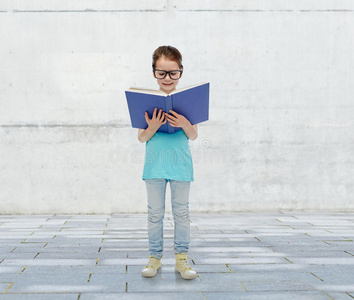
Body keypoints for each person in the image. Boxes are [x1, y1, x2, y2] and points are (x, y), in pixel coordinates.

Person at [138, 45, 198, 280]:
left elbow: (193, 135)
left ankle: (181, 259)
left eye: (173, 73)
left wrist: (184, 122)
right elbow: (142, 137)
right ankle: (154, 258)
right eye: (161, 73)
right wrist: (152, 127)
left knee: (181, 213)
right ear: (154, 72)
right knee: (155, 213)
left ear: (181, 71)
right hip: (154, 166)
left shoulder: (188, 101)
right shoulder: (146, 101)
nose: (167, 78)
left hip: (181, 166)